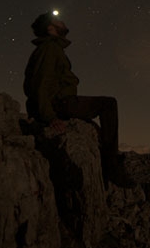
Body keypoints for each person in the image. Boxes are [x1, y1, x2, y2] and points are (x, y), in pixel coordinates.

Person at [23, 12, 133, 187]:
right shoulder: (50, 48)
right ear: (51, 29)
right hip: (59, 103)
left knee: (95, 128)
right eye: (57, 20)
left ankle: (104, 170)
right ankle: (111, 165)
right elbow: (40, 83)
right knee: (108, 104)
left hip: (60, 101)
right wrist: (49, 116)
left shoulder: (51, 48)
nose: (62, 22)